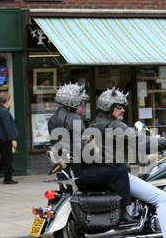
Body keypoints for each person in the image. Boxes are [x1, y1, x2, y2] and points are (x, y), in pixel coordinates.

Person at [90, 87, 166, 238]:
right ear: (109, 106)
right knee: (163, 198)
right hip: (118, 174)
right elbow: (141, 142)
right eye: (119, 106)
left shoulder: (97, 123)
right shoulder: (115, 125)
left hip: (106, 173)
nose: (123, 109)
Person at [48, 83, 132, 217]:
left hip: (63, 172)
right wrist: (99, 158)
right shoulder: (73, 118)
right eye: (80, 102)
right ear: (73, 101)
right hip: (77, 172)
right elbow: (83, 147)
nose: (81, 105)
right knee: (119, 171)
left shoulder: (52, 120)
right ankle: (124, 212)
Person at [0, 91, 18, 184]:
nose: (9, 101)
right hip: (4, 138)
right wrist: (12, 139)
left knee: (5, 157)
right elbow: (7, 126)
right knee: (8, 158)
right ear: (7, 100)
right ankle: (7, 178)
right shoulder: (4, 111)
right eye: (9, 99)